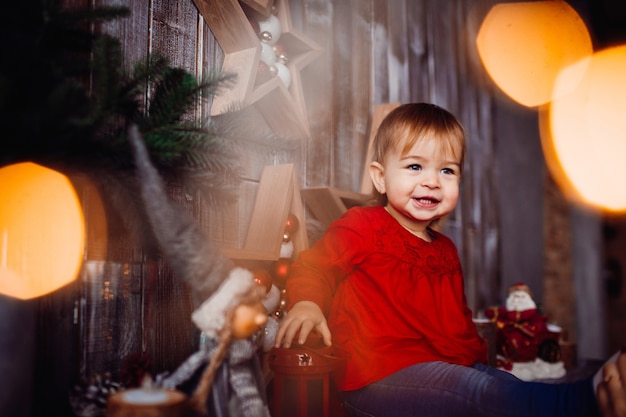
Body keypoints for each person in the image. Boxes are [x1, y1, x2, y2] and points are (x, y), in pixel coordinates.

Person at [274, 103, 626, 417]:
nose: (432, 182)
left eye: (448, 171)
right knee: (479, 391)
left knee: (494, 382)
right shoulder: (363, 226)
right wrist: (306, 303)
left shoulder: (445, 249)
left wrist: (482, 363)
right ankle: (590, 399)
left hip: (440, 371)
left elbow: (456, 325)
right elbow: (313, 266)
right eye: (415, 166)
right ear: (380, 177)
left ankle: (587, 390)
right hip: (375, 378)